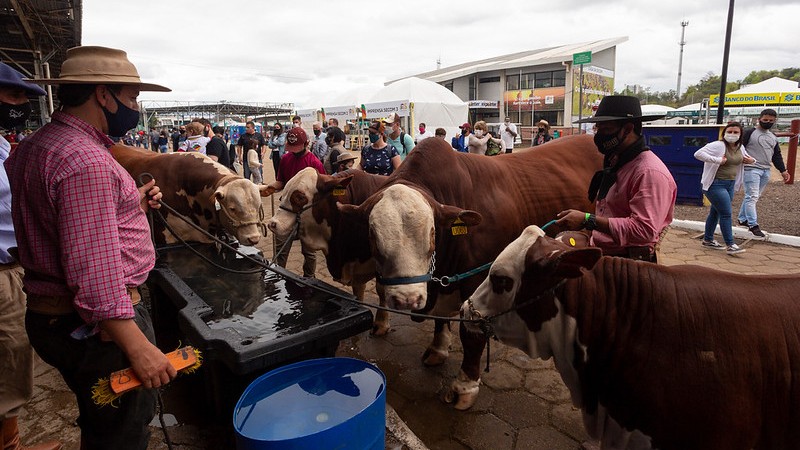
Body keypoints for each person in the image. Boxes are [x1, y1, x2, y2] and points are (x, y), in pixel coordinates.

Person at [4, 46, 175, 450]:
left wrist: (126, 204)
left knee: (100, 418)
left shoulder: (36, 145)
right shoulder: (88, 162)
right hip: (98, 331)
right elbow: (94, 276)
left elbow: (56, 220)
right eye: (131, 98)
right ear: (103, 94)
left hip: (49, 313)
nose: (134, 107)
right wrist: (138, 347)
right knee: (122, 434)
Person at [0, 62, 62, 450]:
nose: (22, 104)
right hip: (1, 271)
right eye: (14, 95)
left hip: (12, 266)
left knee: (13, 358)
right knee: (10, 356)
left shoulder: (5, 146)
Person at [556, 95, 677, 262]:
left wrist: (588, 220)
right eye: (597, 129)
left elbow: (643, 231)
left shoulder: (649, 173)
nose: (598, 136)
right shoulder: (616, 161)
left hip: (627, 263)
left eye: (605, 130)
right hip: (602, 248)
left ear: (627, 129)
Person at [265, 127, 324, 277]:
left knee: (309, 251)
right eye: (291, 148)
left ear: (307, 143)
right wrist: (269, 187)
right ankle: (278, 275)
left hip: (306, 214)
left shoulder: (315, 163)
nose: (294, 151)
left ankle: (309, 279)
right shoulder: (285, 159)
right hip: (287, 210)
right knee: (280, 248)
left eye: (297, 148)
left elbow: (321, 192)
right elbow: (281, 181)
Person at [694, 122, 754, 255]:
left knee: (715, 212)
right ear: (724, 133)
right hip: (715, 185)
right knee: (726, 213)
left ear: (740, 134)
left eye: (735, 132)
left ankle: (708, 240)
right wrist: (716, 160)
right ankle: (731, 244)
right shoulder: (717, 145)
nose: (732, 135)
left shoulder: (740, 147)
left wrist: (751, 161)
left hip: (730, 184)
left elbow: (745, 158)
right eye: (730, 132)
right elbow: (698, 154)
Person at [735, 108, 791, 238]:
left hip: (766, 169)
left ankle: (743, 218)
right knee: (752, 196)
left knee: (754, 196)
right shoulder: (750, 132)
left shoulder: (773, 136)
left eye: (771, 120)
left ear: (774, 121)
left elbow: (776, 154)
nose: (768, 122)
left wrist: (783, 170)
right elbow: (738, 147)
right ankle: (753, 224)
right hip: (751, 169)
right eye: (765, 120)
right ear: (759, 119)